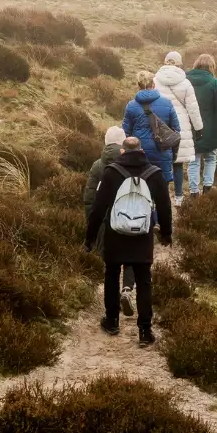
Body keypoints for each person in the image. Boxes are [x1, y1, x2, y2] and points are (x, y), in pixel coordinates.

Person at [84, 136, 172, 345]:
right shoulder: (155, 174)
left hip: (115, 233)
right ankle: (144, 331)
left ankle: (112, 321)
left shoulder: (111, 173)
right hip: (142, 235)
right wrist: (166, 233)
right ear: (141, 150)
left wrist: (90, 237)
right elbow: (164, 207)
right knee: (143, 280)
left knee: (112, 274)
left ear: (122, 152)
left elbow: (98, 208)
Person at [84, 126, 137, 317]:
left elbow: (90, 198)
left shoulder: (98, 165)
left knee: (110, 265)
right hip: (130, 218)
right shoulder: (133, 164)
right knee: (130, 256)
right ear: (123, 142)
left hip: (107, 222)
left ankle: (112, 310)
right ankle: (128, 290)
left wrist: (92, 225)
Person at [155, 51, 203, 207]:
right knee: (178, 163)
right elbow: (193, 108)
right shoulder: (185, 83)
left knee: (160, 163)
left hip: (159, 125)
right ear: (179, 64)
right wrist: (199, 127)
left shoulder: (155, 80)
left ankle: (160, 197)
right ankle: (179, 197)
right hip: (180, 126)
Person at [123, 71, 181, 187]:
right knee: (162, 196)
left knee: (141, 190)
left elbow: (125, 133)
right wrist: (173, 154)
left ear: (138, 86)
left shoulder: (131, 105)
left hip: (139, 154)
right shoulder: (167, 103)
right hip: (162, 153)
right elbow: (176, 130)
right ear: (153, 84)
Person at [186, 54, 217, 194]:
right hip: (210, 128)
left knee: (193, 160)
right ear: (212, 67)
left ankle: (193, 192)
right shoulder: (215, 84)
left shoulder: (185, 81)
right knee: (210, 158)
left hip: (190, 128)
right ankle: (207, 189)